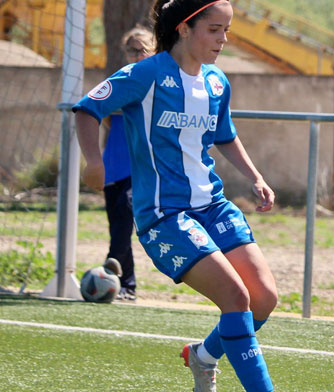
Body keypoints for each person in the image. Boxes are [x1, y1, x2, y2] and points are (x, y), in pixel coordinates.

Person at [73, 1, 277, 391]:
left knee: (263, 298)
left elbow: (224, 134)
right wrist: (93, 162)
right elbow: (87, 109)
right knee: (236, 298)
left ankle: (202, 356)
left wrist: (255, 176)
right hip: (165, 215)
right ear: (184, 28)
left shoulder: (217, 82)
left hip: (213, 205)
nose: (223, 39)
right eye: (214, 29)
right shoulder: (145, 74)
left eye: (227, 30)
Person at [101, 26, 155, 301]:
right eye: (132, 50)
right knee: (118, 223)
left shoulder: (155, 81)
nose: (137, 55)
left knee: (126, 208)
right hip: (114, 162)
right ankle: (126, 286)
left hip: (140, 164)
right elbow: (105, 116)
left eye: (142, 49)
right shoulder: (120, 79)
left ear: (153, 50)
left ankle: (108, 267)